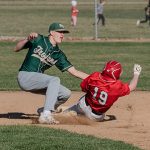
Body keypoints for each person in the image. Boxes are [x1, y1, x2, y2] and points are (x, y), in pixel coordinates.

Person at [14, 22, 89, 124]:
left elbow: (74, 72)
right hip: (25, 76)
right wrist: (27, 39)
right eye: (59, 32)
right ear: (51, 32)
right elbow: (16, 48)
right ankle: (46, 114)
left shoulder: (58, 54)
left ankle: (43, 110)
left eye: (63, 33)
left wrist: (96, 78)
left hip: (36, 80)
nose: (62, 35)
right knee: (54, 80)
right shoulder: (39, 39)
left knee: (65, 93)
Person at [64, 60, 142, 122]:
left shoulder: (95, 76)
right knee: (99, 115)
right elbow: (132, 86)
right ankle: (79, 117)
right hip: (95, 117)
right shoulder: (117, 87)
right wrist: (136, 73)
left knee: (77, 106)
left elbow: (84, 88)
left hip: (83, 106)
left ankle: (66, 113)